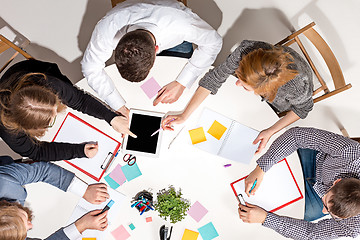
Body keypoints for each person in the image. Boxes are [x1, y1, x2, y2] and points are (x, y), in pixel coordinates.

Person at [162, 40, 313, 154]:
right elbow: (215, 78)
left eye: (245, 86)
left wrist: (270, 131)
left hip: (278, 103)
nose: (237, 84)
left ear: (265, 90)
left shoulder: (297, 88)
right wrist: (184, 115)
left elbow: (303, 109)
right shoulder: (247, 50)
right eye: (239, 75)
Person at [81, 0, 222, 117]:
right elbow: (90, 67)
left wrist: (181, 83)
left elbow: (214, 42)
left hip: (176, 36)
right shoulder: (107, 29)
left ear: (156, 50)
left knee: (183, 96)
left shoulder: (183, 26)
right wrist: (118, 105)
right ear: (117, 45)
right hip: (141, 18)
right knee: (150, 92)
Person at [0, 59, 135, 162]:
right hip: (14, 84)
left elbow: (80, 100)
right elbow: (37, 152)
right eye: (51, 120)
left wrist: (111, 118)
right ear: (33, 129)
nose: (59, 112)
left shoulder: (47, 83)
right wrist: (79, 151)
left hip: (29, 70)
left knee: (67, 89)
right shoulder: (10, 133)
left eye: (55, 105)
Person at [237, 127, 360, 240]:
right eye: (327, 206)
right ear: (337, 182)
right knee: (250, 160)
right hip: (317, 161)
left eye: (334, 217)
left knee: (293, 213)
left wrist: (265, 218)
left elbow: (312, 233)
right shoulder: (351, 153)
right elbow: (296, 136)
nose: (323, 212)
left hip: (318, 194)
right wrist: (261, 168)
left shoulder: (355, 225)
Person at [0, 155, 110, 239]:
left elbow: (42, 171)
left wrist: (84, 190)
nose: (31, 226)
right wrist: (82, 225)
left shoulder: (4, 181)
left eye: (24, 220)